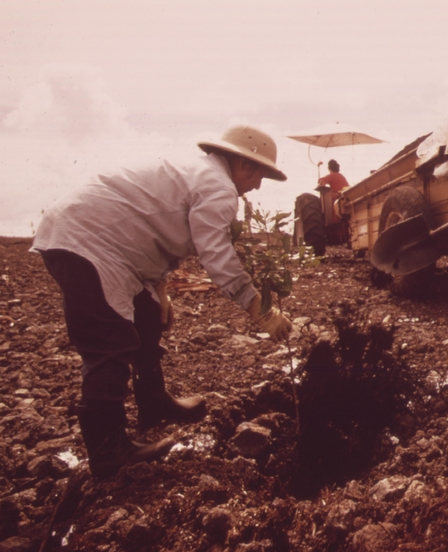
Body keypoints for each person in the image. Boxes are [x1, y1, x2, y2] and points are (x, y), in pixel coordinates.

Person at [32, 125, 293, 478]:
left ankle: (153, 403)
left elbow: (159, 230)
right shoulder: (218, 187)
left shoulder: (198, 174)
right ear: (244, 165)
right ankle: (109, 452)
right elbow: (216, 254)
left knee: (146, 314)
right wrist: (258, 308)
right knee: (109, 341)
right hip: (89, 243)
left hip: (92, 239)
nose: (258, 185)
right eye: (259, 174)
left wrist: (161, 290)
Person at [316, 159, 350, 223]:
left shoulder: (332, 175)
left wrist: (320, 181)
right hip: (345, 199)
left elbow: (321, 182)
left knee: (336, 218)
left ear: (329, 168)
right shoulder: (341, 176)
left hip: (338, 200)